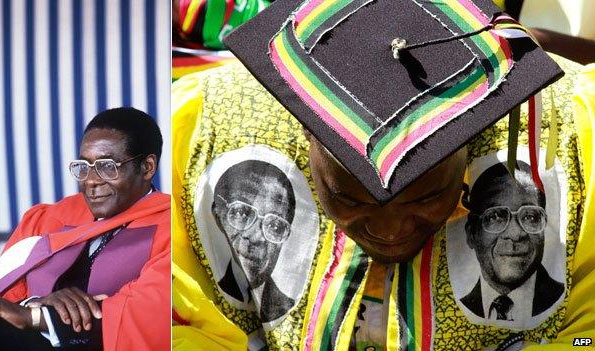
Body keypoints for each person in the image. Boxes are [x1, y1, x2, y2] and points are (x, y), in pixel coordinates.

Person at [172, 0, 595, 349]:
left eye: (425, 197)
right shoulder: (205, 129)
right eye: (351, 199)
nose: (390, 230)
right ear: (304, 131)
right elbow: (186, 326)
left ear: (477, 133)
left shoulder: (572, 134)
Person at [0, 108, 170, 351]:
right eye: (84, 167)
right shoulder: (49, 218)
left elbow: (148, 312)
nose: (91, 180)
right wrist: (34, 303)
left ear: (147, 167)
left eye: (108, 166)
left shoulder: (169, 228)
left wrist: (37, 317)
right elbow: (2, 300)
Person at [460, 161, 564, 322]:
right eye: (495, 216)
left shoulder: (568, 301)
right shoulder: (458, 309)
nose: (515, 234)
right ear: (472, 233)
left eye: (530, 216)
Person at [211, 160, 295, 323]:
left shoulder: (290, 311)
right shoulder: (201, 294)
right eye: (242, 213)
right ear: (218, 217)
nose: (255, 237)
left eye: (275, 226)